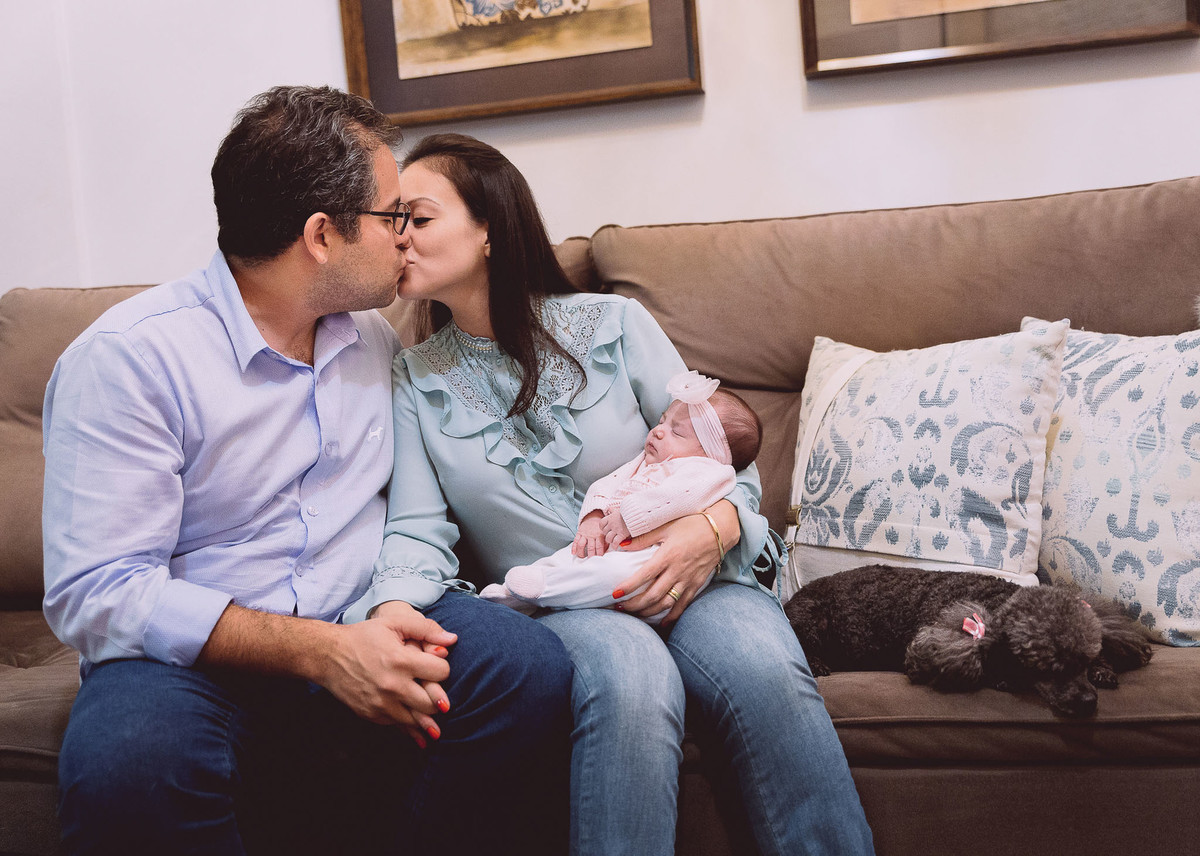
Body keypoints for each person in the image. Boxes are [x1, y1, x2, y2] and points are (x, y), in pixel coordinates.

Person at [41, 87, 572, 856]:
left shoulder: (376, 345)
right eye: (394, 216)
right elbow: (101, 591)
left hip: (365, 616)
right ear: (322, 235)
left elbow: (428, 509)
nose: (406, 239)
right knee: (128, 767)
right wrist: (322, 651)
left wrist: (383, 614)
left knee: (522, 667)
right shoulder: (130, 360)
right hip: (194, 665)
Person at [342, 132, 875, 855]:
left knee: (764, 671)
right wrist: (391, 612)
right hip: (569, 603)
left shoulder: (617, 326)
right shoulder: (414, 378)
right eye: (393, 220)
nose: (398, 238)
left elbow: (725, 456)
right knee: (630, 678)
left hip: (701, 576)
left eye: (420, 218)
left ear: (490, 227)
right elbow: (413, 527)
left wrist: (709, 531)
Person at [480, 371, 760, 625]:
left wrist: (630, 516)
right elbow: (609, 483)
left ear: (710, 454)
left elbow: (675, 498)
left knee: (614, 574)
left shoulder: (708, 472)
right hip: (615, 542)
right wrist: (593, 516)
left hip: (658, 570)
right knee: (573, 555)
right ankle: (516, 594)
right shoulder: (646, 460)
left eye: (677, 431)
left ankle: (547, 591)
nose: (659, 430)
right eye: (663, 420)